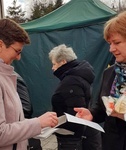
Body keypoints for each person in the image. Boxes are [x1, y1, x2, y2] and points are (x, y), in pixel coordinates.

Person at [0, 18, 58, 150]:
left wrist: (40, 125)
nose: (18, 57)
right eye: (17, 51)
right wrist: (37, 123)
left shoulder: (0, 74)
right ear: (0, 45)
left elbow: (13, 122)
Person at [74, 11, 126, 150]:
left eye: (117, 43)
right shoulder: (109, 73)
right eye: (109, 43)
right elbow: (102, 108)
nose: (111, 49)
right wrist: (91, 113)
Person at [48, 44, 102, 150]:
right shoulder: (79, 75)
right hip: (83, 135)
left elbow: (75, 114)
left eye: (54, 64)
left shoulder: (71, 81)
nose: (52, 68)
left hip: (72, 138)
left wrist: (55, 125)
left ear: (63, 62)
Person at [16, 72, 42, 150]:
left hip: (21, 133)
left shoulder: (14, 78)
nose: (53, 68)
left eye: (54, 64)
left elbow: (26, 108)